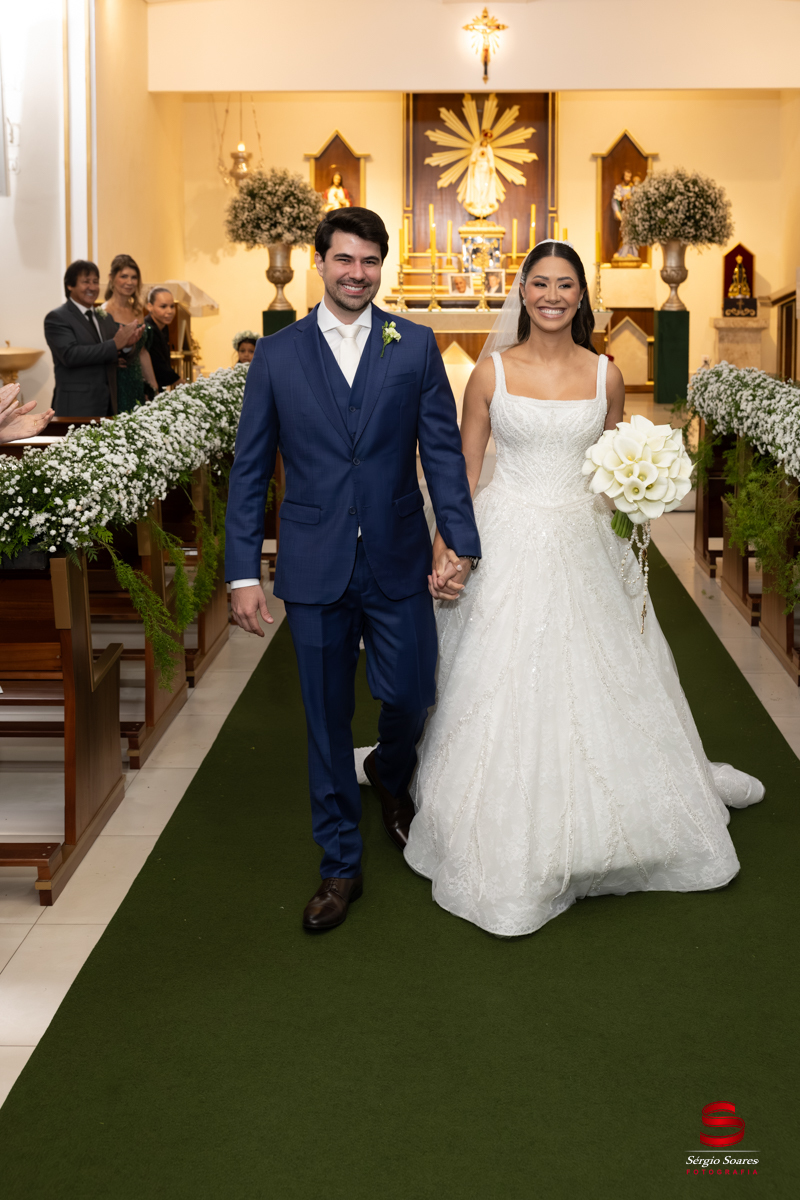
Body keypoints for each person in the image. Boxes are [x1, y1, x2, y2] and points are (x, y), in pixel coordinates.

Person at [403, 239, 764, 938]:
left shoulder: (607, 373)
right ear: (523, 292)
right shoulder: (490, 373)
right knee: (501, 673)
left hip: (583, 533)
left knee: (602, 670)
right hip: (507, 529)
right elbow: (464, 468)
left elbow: (612, 461)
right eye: (539, 283)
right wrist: (448, 545)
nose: (551, 296)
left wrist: (638, 498)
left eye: (565, 285)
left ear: (580, 296)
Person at [225, 206, 480, 932]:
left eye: (370, 261)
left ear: (381, 267)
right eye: (344, 259)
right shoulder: (277, 355)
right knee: (326, 717)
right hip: (314, 564)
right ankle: (340, 862)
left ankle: (391, 772)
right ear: (321, 262)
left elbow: (442, 452)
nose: (357, 274)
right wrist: (242, 573)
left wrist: (459, 541)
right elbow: (250, 470)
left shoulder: (414, 345)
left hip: (398, 555)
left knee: (413, 692)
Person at [44, 260, 142, 418]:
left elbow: (116, 355)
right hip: (77, 405)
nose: (92, 287)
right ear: (70, 285)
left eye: (95, 282)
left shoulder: (105, 318)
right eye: (86, 282)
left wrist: (126, 346)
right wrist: (115, 345)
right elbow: (70, 355)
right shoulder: (57, 317)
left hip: (108, 403)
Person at [102, 254, 157, 411]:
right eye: (124, 276)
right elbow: (102, 351)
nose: (130, 282)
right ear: (111, 278)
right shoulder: (104, 312)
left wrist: (153, 386)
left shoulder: (137, 310)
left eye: (134, 277)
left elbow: (142, 351)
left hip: (136, 380)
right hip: (116, 381)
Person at [144, 287, 180, 392]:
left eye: (172, 306)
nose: (170, 311)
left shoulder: (163, 327)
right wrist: (179, 381)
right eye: (163, 306)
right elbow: (157, 363)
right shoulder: (147, 328)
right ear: (150, 307)